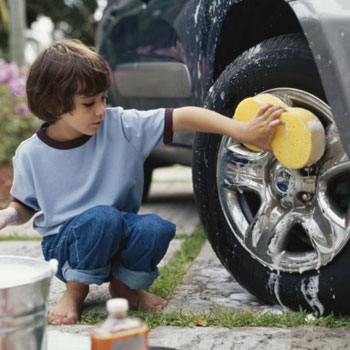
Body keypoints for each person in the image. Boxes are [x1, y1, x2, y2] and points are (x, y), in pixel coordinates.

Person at [0, 39, 285, 325]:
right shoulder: (32, 154)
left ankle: (125, 287)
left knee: (154, 227)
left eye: (104, 98)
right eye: (89, 103)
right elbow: (25, 206)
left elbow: (185, 116)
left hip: (116, 230)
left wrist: (242, 131)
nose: (100, 110)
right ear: (54, 105)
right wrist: (9, 215)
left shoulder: (121, 126)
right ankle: (76, 290)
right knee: (103, 217)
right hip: (65, 246)